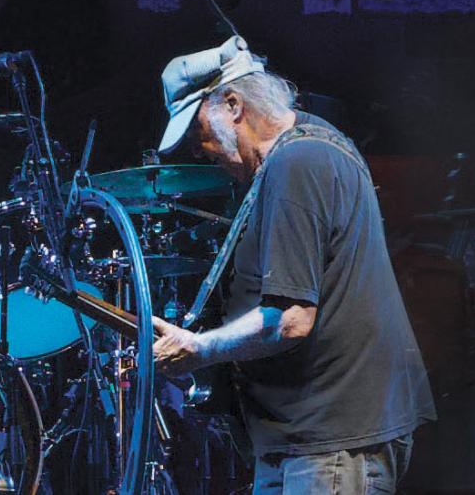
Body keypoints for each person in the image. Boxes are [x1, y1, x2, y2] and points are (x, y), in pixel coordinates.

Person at [147, 36, 436, 494]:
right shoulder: (309, 145)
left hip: (331, 443)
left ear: (233, 105)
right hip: (312, 440)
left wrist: (200, 348)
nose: (197, 151)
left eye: (197, 131)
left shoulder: (297, 163)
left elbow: (290, 319)